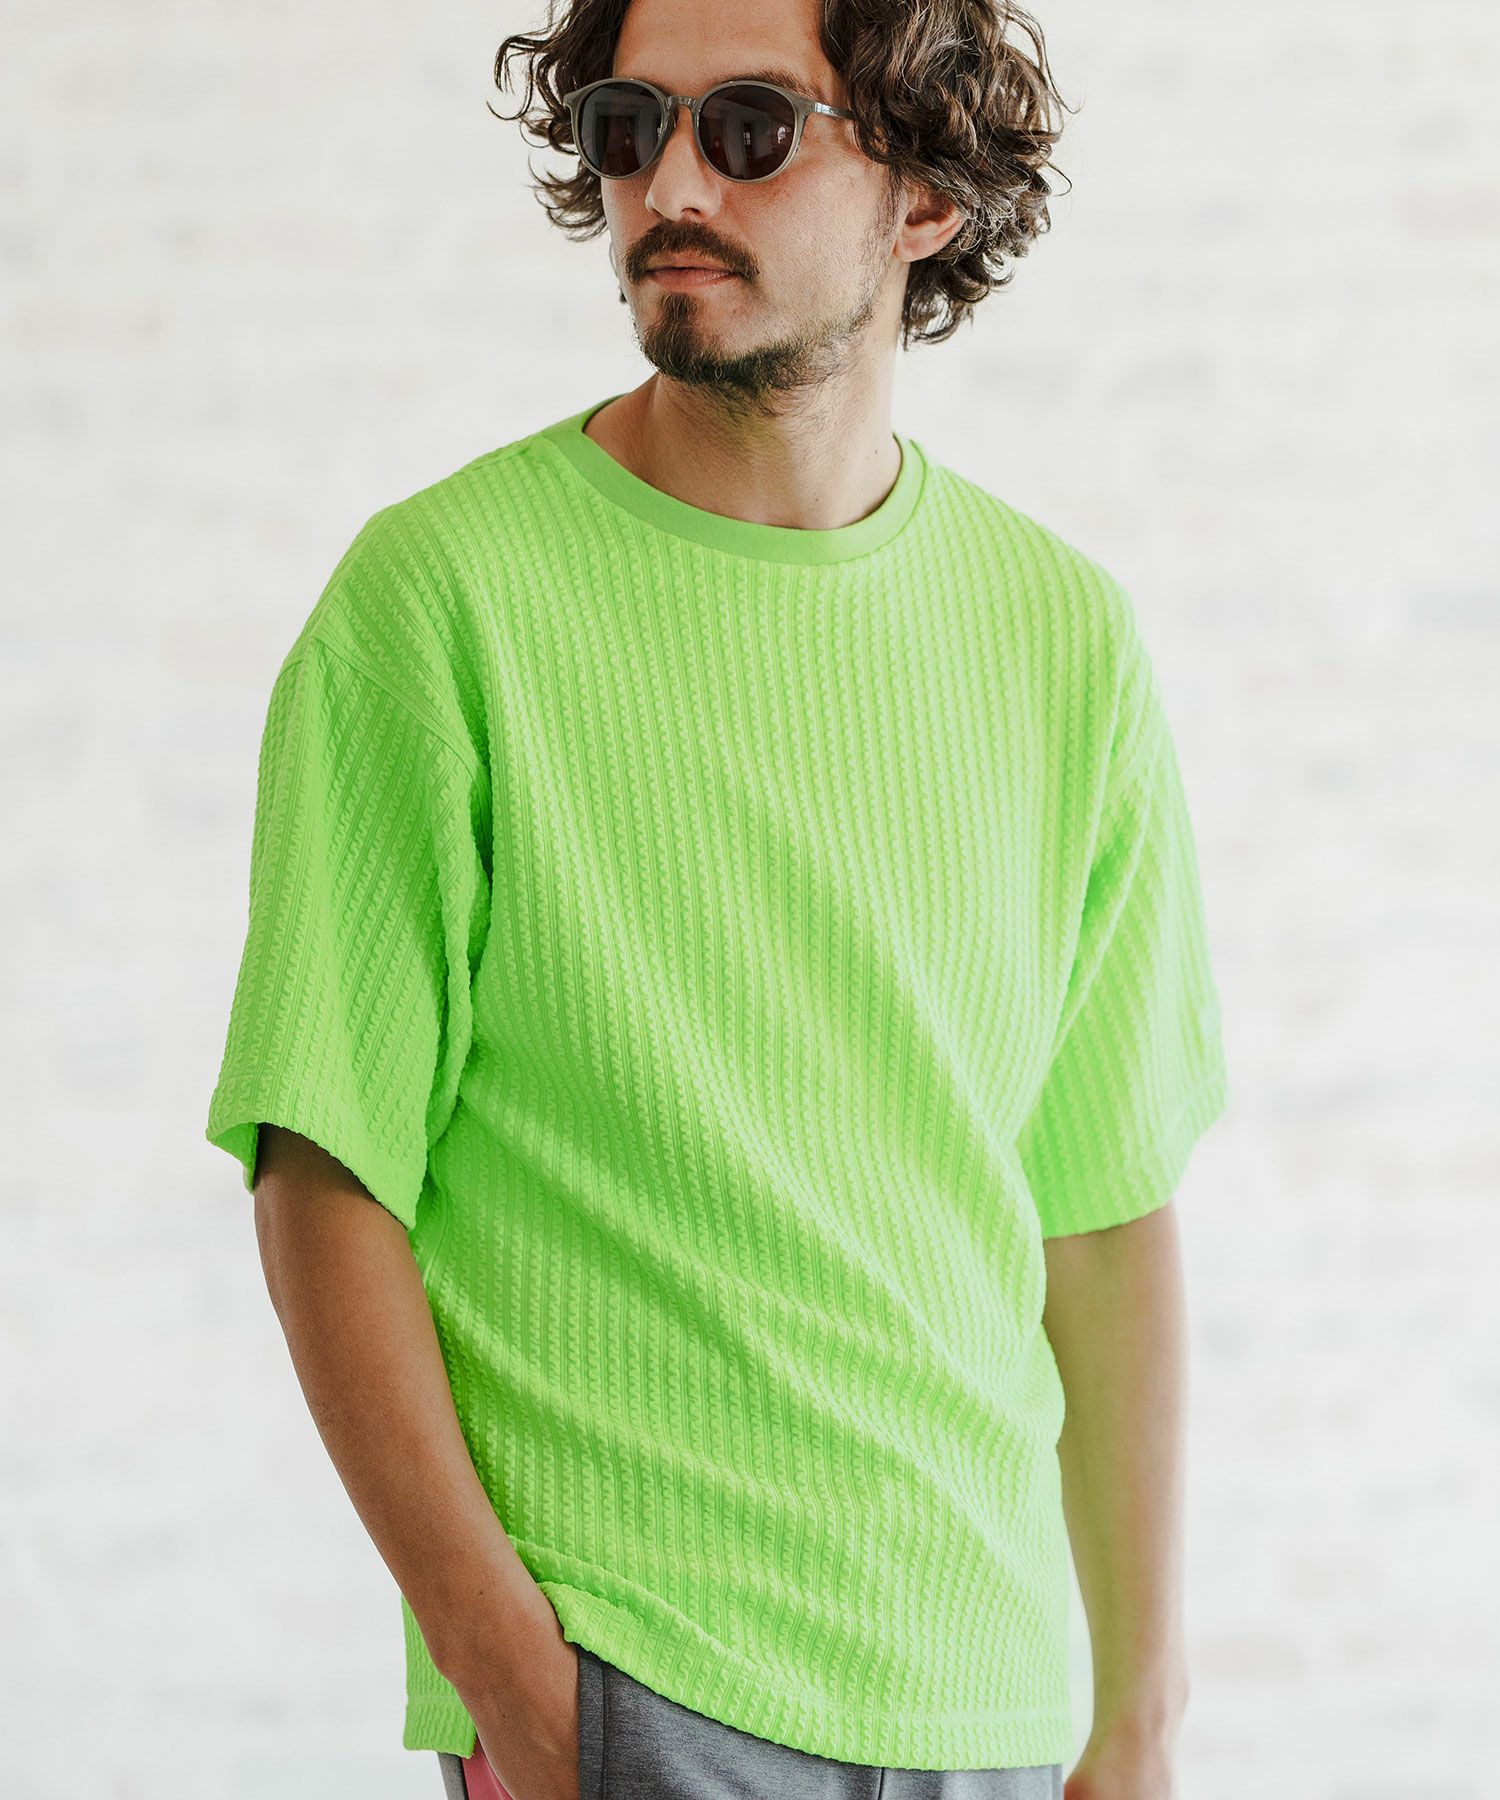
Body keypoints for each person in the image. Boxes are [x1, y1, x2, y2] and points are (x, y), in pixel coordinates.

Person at [204, 0, 1231, 1795]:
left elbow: (1101, 1209)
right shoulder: (438, 606)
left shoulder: (1061, 640)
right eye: (629, 126)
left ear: (926, 192)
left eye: (751, 127)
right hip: (633, 1685)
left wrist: (1136, 1718)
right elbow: (325, 1175)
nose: (670, 185)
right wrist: (516, 1686)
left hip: (988, 1701)